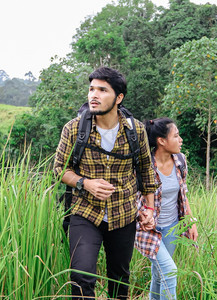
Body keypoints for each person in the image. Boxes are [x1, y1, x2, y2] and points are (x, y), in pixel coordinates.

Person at [53, 67, 157, 299]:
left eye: (102, 90)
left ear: (119, 98)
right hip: (84, 213)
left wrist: (149, 209)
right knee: (81, 276)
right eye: (91, 89)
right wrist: (85, 183)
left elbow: (146, 172)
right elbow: (60, 169)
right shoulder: (74, 128)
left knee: (119, 281)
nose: (94, 95)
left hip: (124, 215)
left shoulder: (136, 131)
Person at [135, 117, 198, 300]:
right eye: (176, 136)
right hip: (148, 229)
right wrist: (142, 216)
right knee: (170, 272)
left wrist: (190, 221)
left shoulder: (180, 160)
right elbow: (131, 197)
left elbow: (183, 194)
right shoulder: (143, 165)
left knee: (159, 273)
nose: (181, 140)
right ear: (161, 141)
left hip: (172, 226)